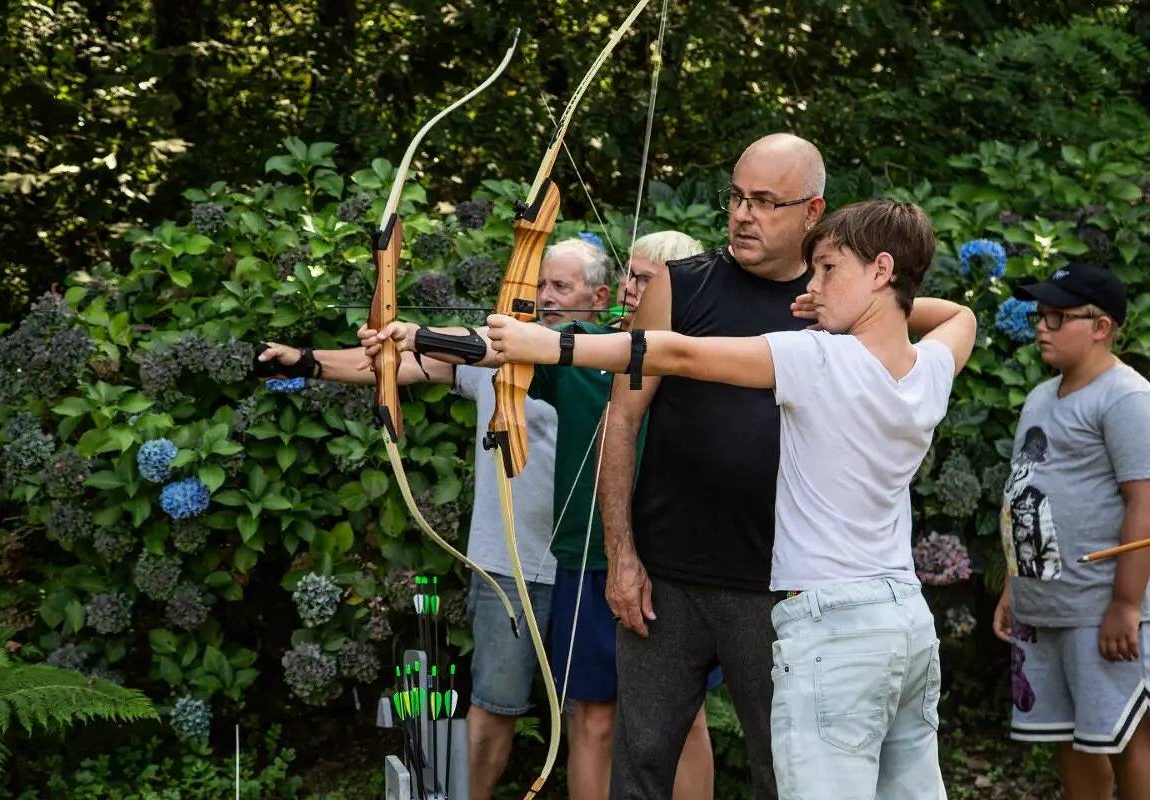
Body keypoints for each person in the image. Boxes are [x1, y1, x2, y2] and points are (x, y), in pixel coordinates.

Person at [485, 198, 976, 800]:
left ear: (880, 270)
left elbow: (675, 351)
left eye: (827, 271)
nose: (813, 287)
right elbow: (959, 314)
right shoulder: (927, 367)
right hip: (904, 620)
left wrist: (552, 345)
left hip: (833, 631)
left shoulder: (817, 356)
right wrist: (867, 307)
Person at [363, 232, 718, 800]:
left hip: (674, 564)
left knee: (686, 720)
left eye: (646, 280)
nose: (630, 288)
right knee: (592, 719)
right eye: (629, 275)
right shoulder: (586, 350)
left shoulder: (704, 358)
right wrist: (418, 336)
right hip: (588, 559)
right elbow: (502, 347)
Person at [255, 238, 611, 798]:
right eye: (539, 284)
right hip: (506, 565)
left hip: (586, 566)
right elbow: (397, 365)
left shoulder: (608, 360)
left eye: (560, 287)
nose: (545, 297)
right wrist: (308, 362)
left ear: (600, 298)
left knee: (592, 723)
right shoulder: (489, 356)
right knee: (493, 710)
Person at [595, 133, 827, 799]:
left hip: (783, 585)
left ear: (813, 212)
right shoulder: (680, 285)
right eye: (736, 197)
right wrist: (621, 555)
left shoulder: (833, 302)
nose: (742, 215)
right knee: (638, 768)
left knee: (784, 775)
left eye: (764, 202)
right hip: (666, 581)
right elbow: (624, 417)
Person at [991, 264, 1150, 800]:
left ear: (1100, 326)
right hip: (1045, 607)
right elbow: (1025, 492)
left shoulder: (1125, 397)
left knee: (1128, 736)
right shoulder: (1039, 397)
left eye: (1058, 317)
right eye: (1041, 316)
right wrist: (1015, 588)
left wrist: (1126, 604)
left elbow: (1144, 504)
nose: (1042, 327)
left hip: (1099, 609)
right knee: (1072, 740)